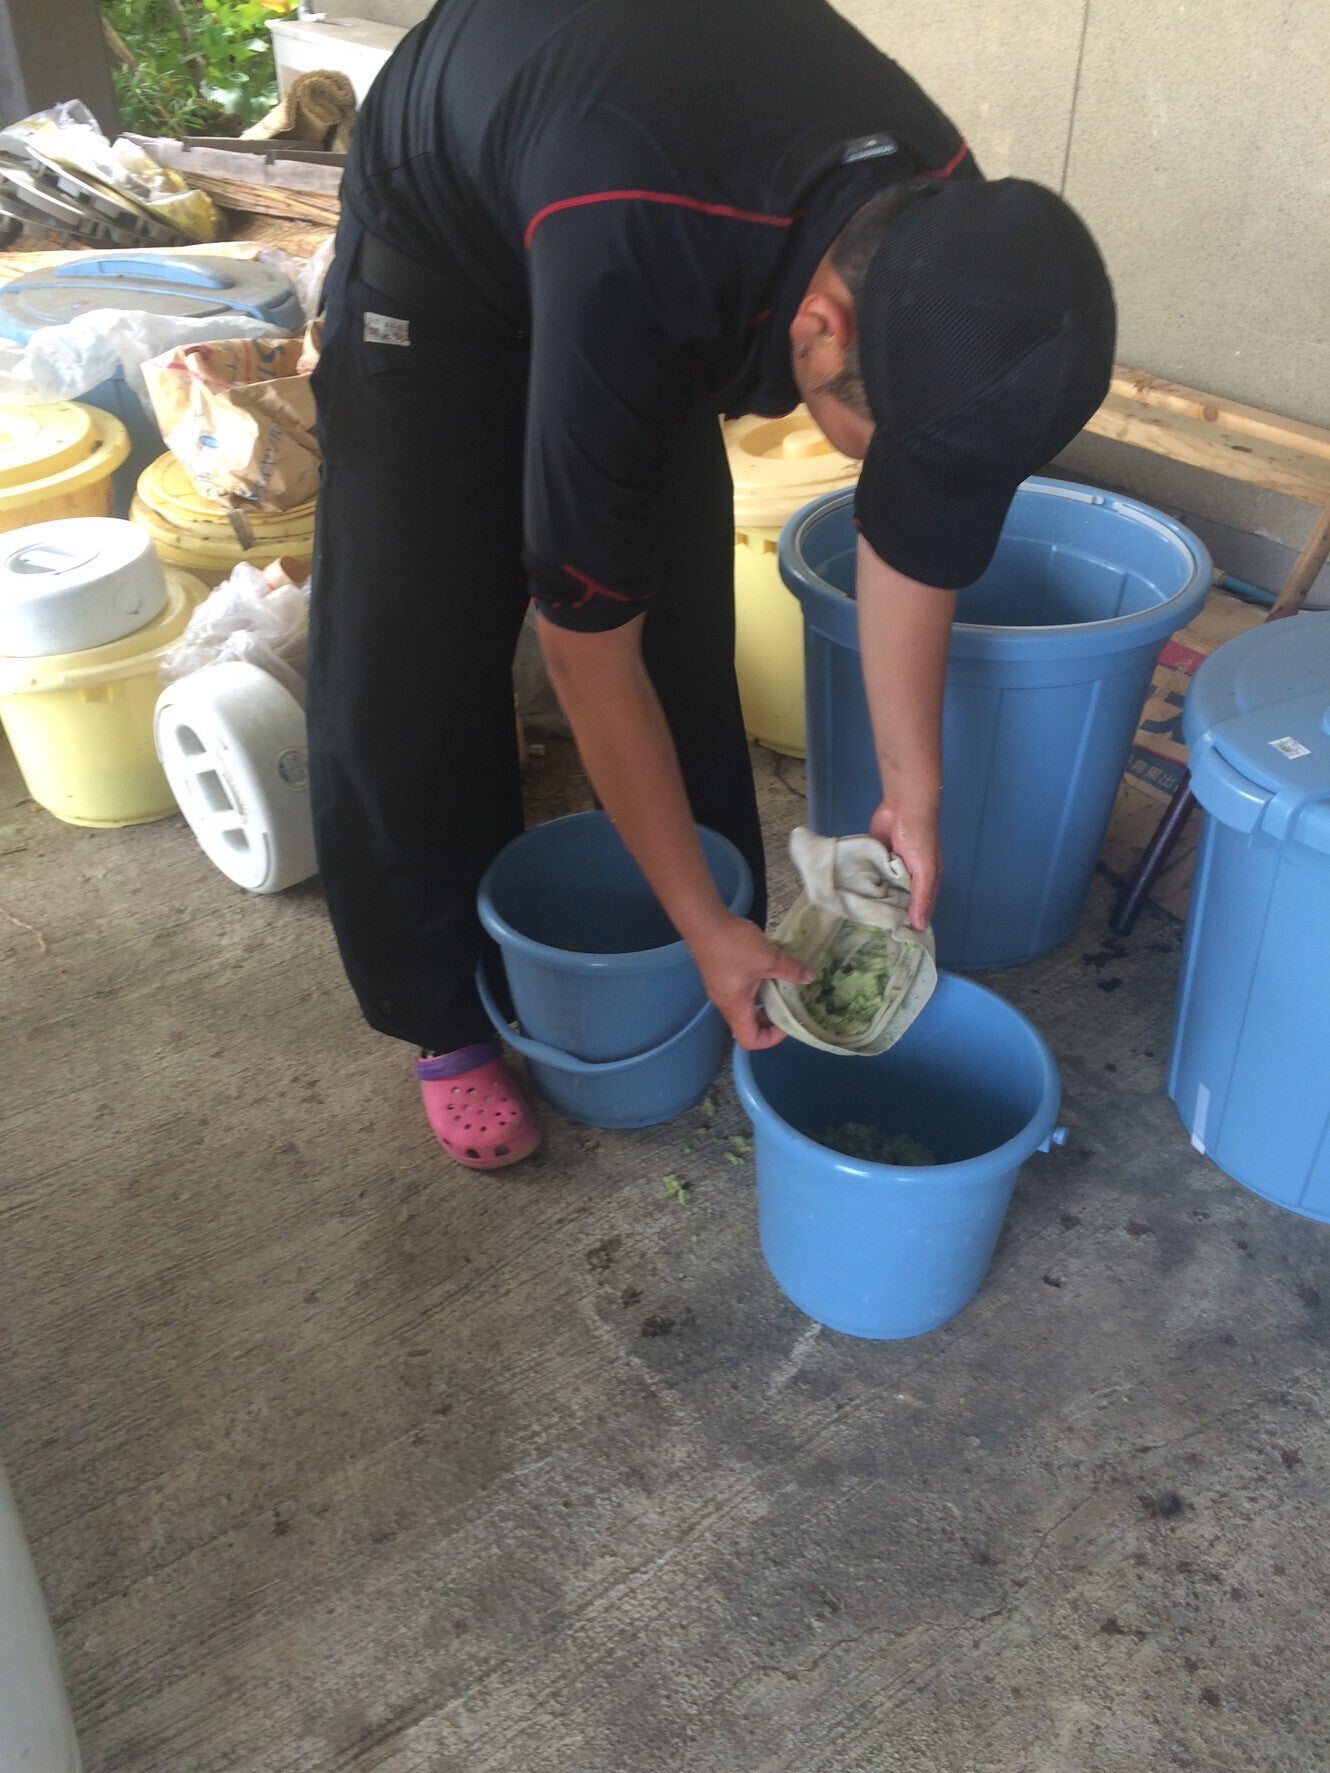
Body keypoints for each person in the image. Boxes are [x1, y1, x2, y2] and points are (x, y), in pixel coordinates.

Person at [307, 0, 1116, 1171]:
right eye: (879, 447)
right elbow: (586, 655)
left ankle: (712, 940)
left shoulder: (960, 246)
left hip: (646, 188)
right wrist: (699, 921)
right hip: (448, 250)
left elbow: (914, 536)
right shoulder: (637, 262)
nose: (896, 481)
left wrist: (914, 789)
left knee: (677, 622)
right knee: (412, 653)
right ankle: (444, 1014)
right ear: (821, 326)